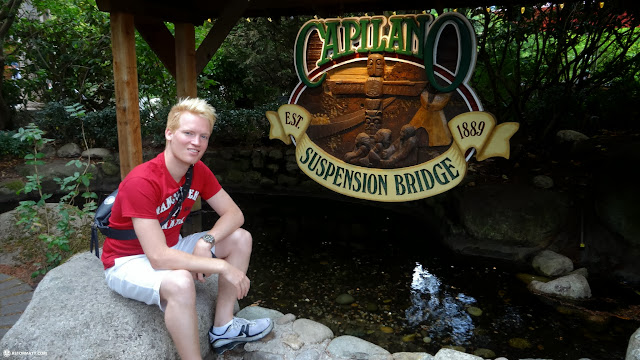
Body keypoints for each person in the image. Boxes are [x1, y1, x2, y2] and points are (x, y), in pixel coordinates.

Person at [100, 97, 273, 359]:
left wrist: (207, 240)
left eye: (204, 136)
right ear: (169, 133)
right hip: (129, 260)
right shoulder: (142, 181)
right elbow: (157, 258)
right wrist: (221, 266)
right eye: (188, 133)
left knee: (240, 239)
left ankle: (224, 326)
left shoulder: (197, 171)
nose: (196, 142)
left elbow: (234, 214)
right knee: (181, 283)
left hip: (170, 247)